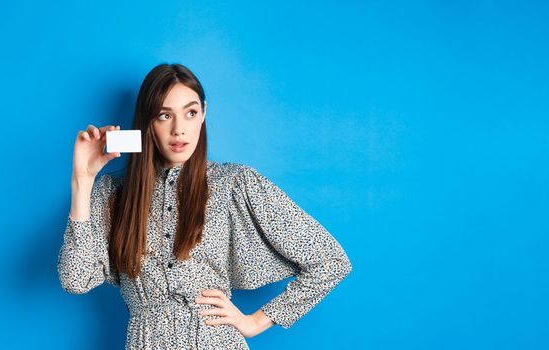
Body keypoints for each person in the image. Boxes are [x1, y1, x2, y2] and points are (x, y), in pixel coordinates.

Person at [58, 63, 352, 349]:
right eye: (164, 115)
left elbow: (331, 262)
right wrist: (82, 180)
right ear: (147, 121)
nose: (179, 129)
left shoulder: (235, 183)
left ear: (203, 114)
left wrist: (256, 322)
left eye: (190, 113)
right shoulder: (113, 192)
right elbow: (76, 279)